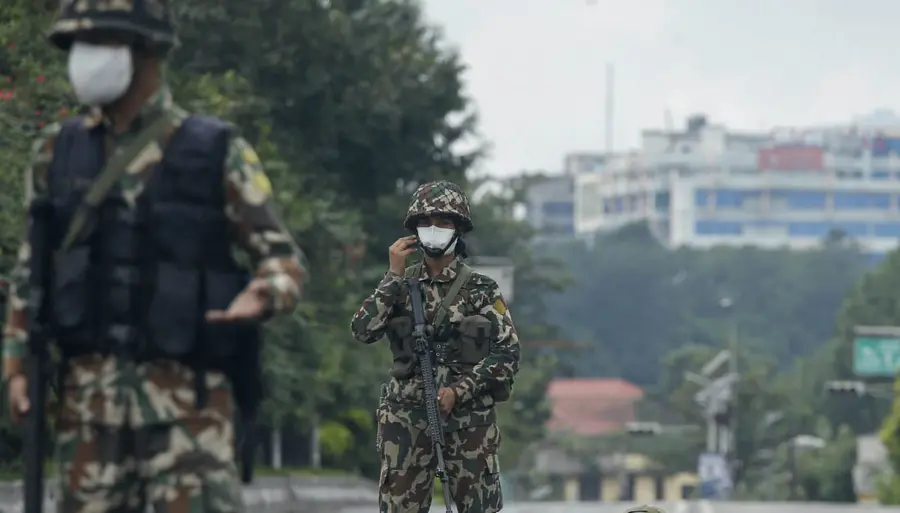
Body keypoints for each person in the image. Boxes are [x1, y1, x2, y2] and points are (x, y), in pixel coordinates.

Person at [2, 1, 307, 512]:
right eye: (77, 44)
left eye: (99, 42)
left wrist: (265, 293)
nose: (83, 58)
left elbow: (283, 259)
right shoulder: (57, 153)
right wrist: (14, 367)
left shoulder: (215, 150)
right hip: (88, 412)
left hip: (189, 411)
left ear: (146, 51)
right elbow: (30, 272)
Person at [351, 180, 520, 513]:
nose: (434, 229)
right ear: (414, 230)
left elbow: (507, 352)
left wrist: (459, 391)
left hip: (468, 420)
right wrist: (393, 277)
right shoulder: (400, 284)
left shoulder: (481, 289)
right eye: (426, 222)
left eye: (443, 222)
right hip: (406, 419)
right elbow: (362, 330)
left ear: (458, 229)